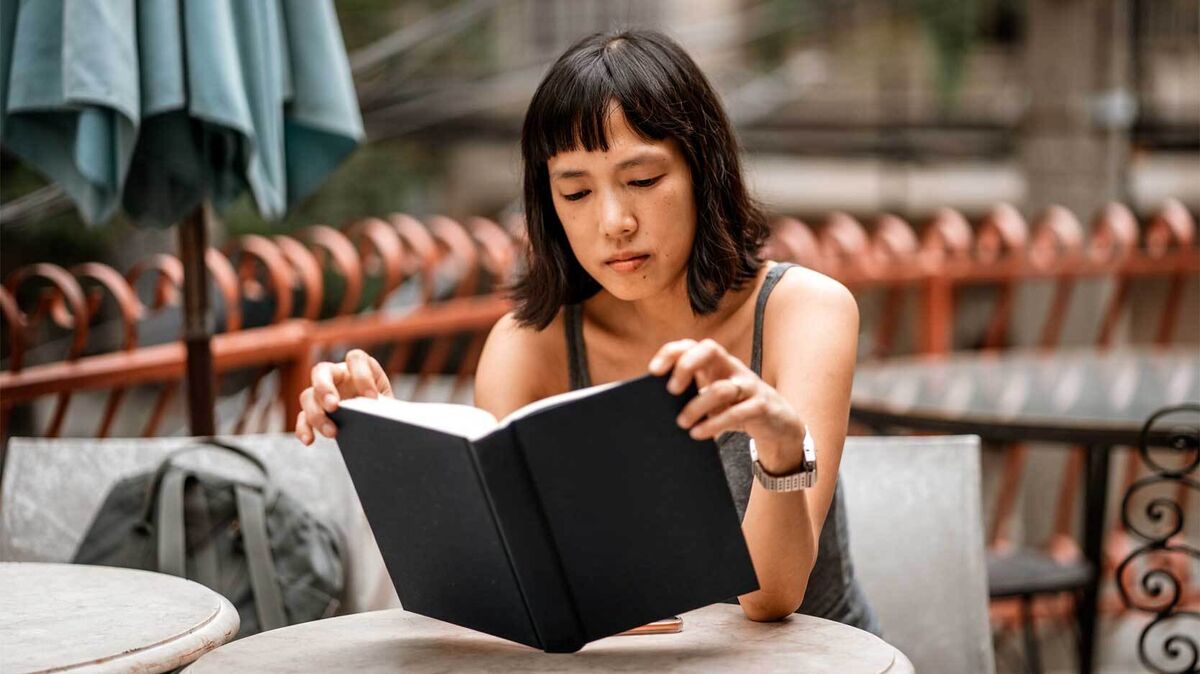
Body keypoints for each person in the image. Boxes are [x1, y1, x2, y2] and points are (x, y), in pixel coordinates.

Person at [297, 30, 879, 633]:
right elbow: (512, 591)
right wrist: (390, 439)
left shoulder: (804, 312)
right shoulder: (530, 346)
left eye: (644, 181)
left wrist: (781, 444)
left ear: (704, 172)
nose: (613, 222)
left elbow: (770, 598)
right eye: (575, 191)